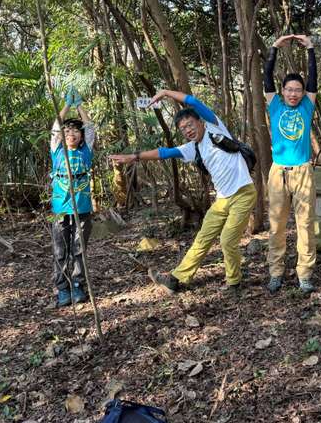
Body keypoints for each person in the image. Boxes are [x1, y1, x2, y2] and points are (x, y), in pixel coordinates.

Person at [109, 90, 257, 295]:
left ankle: (234, 283)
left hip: (243, 192)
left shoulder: (215, 128)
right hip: (222, 199)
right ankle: (175, 279)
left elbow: (193, 101)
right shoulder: (192, 148)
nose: (188, 130)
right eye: (183, 128)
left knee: (227, 239)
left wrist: (165, 93)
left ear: (200, 122)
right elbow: (164, 153)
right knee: (203, 238)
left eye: (190, 125)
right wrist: (134, 157)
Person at [263, 34, 318, 294]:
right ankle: (276, 272)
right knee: (277, 225)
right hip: (278, 172)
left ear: (302, 93)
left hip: (303, 171)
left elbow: (313, 79)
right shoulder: (274, 105)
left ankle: (304, 274)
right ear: (282, 91)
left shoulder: (307, 106)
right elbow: (266, 76)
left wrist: (310, 49)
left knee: (305, 224)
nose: (293, 94)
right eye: (289, 89)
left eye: (298, 90)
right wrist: (274, 47)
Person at [50, 86, 96, 307]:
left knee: (79, 249)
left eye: (75, 132)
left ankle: (78, 285)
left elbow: (90, 128)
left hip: (82, 207)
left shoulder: (85, 152)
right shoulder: (57, 151)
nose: (71, 134)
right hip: (61, 208)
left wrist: (79, 106)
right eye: (67, 131)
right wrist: (66, 105)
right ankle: (62, 288)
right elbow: (55, 129)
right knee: (61, 250)